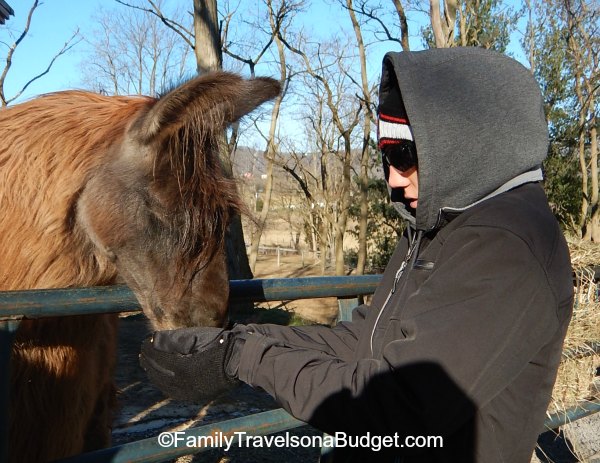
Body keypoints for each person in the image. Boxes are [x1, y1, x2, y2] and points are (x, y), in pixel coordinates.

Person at [140, 47, 574, 462]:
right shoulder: (441, 226)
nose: (393, 180)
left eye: (403, 154)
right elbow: (361, 342)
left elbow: (399, 410)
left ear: (466, 142)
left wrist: (243, 359)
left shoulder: (508, 247)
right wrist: (237, 340)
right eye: (385, 156)